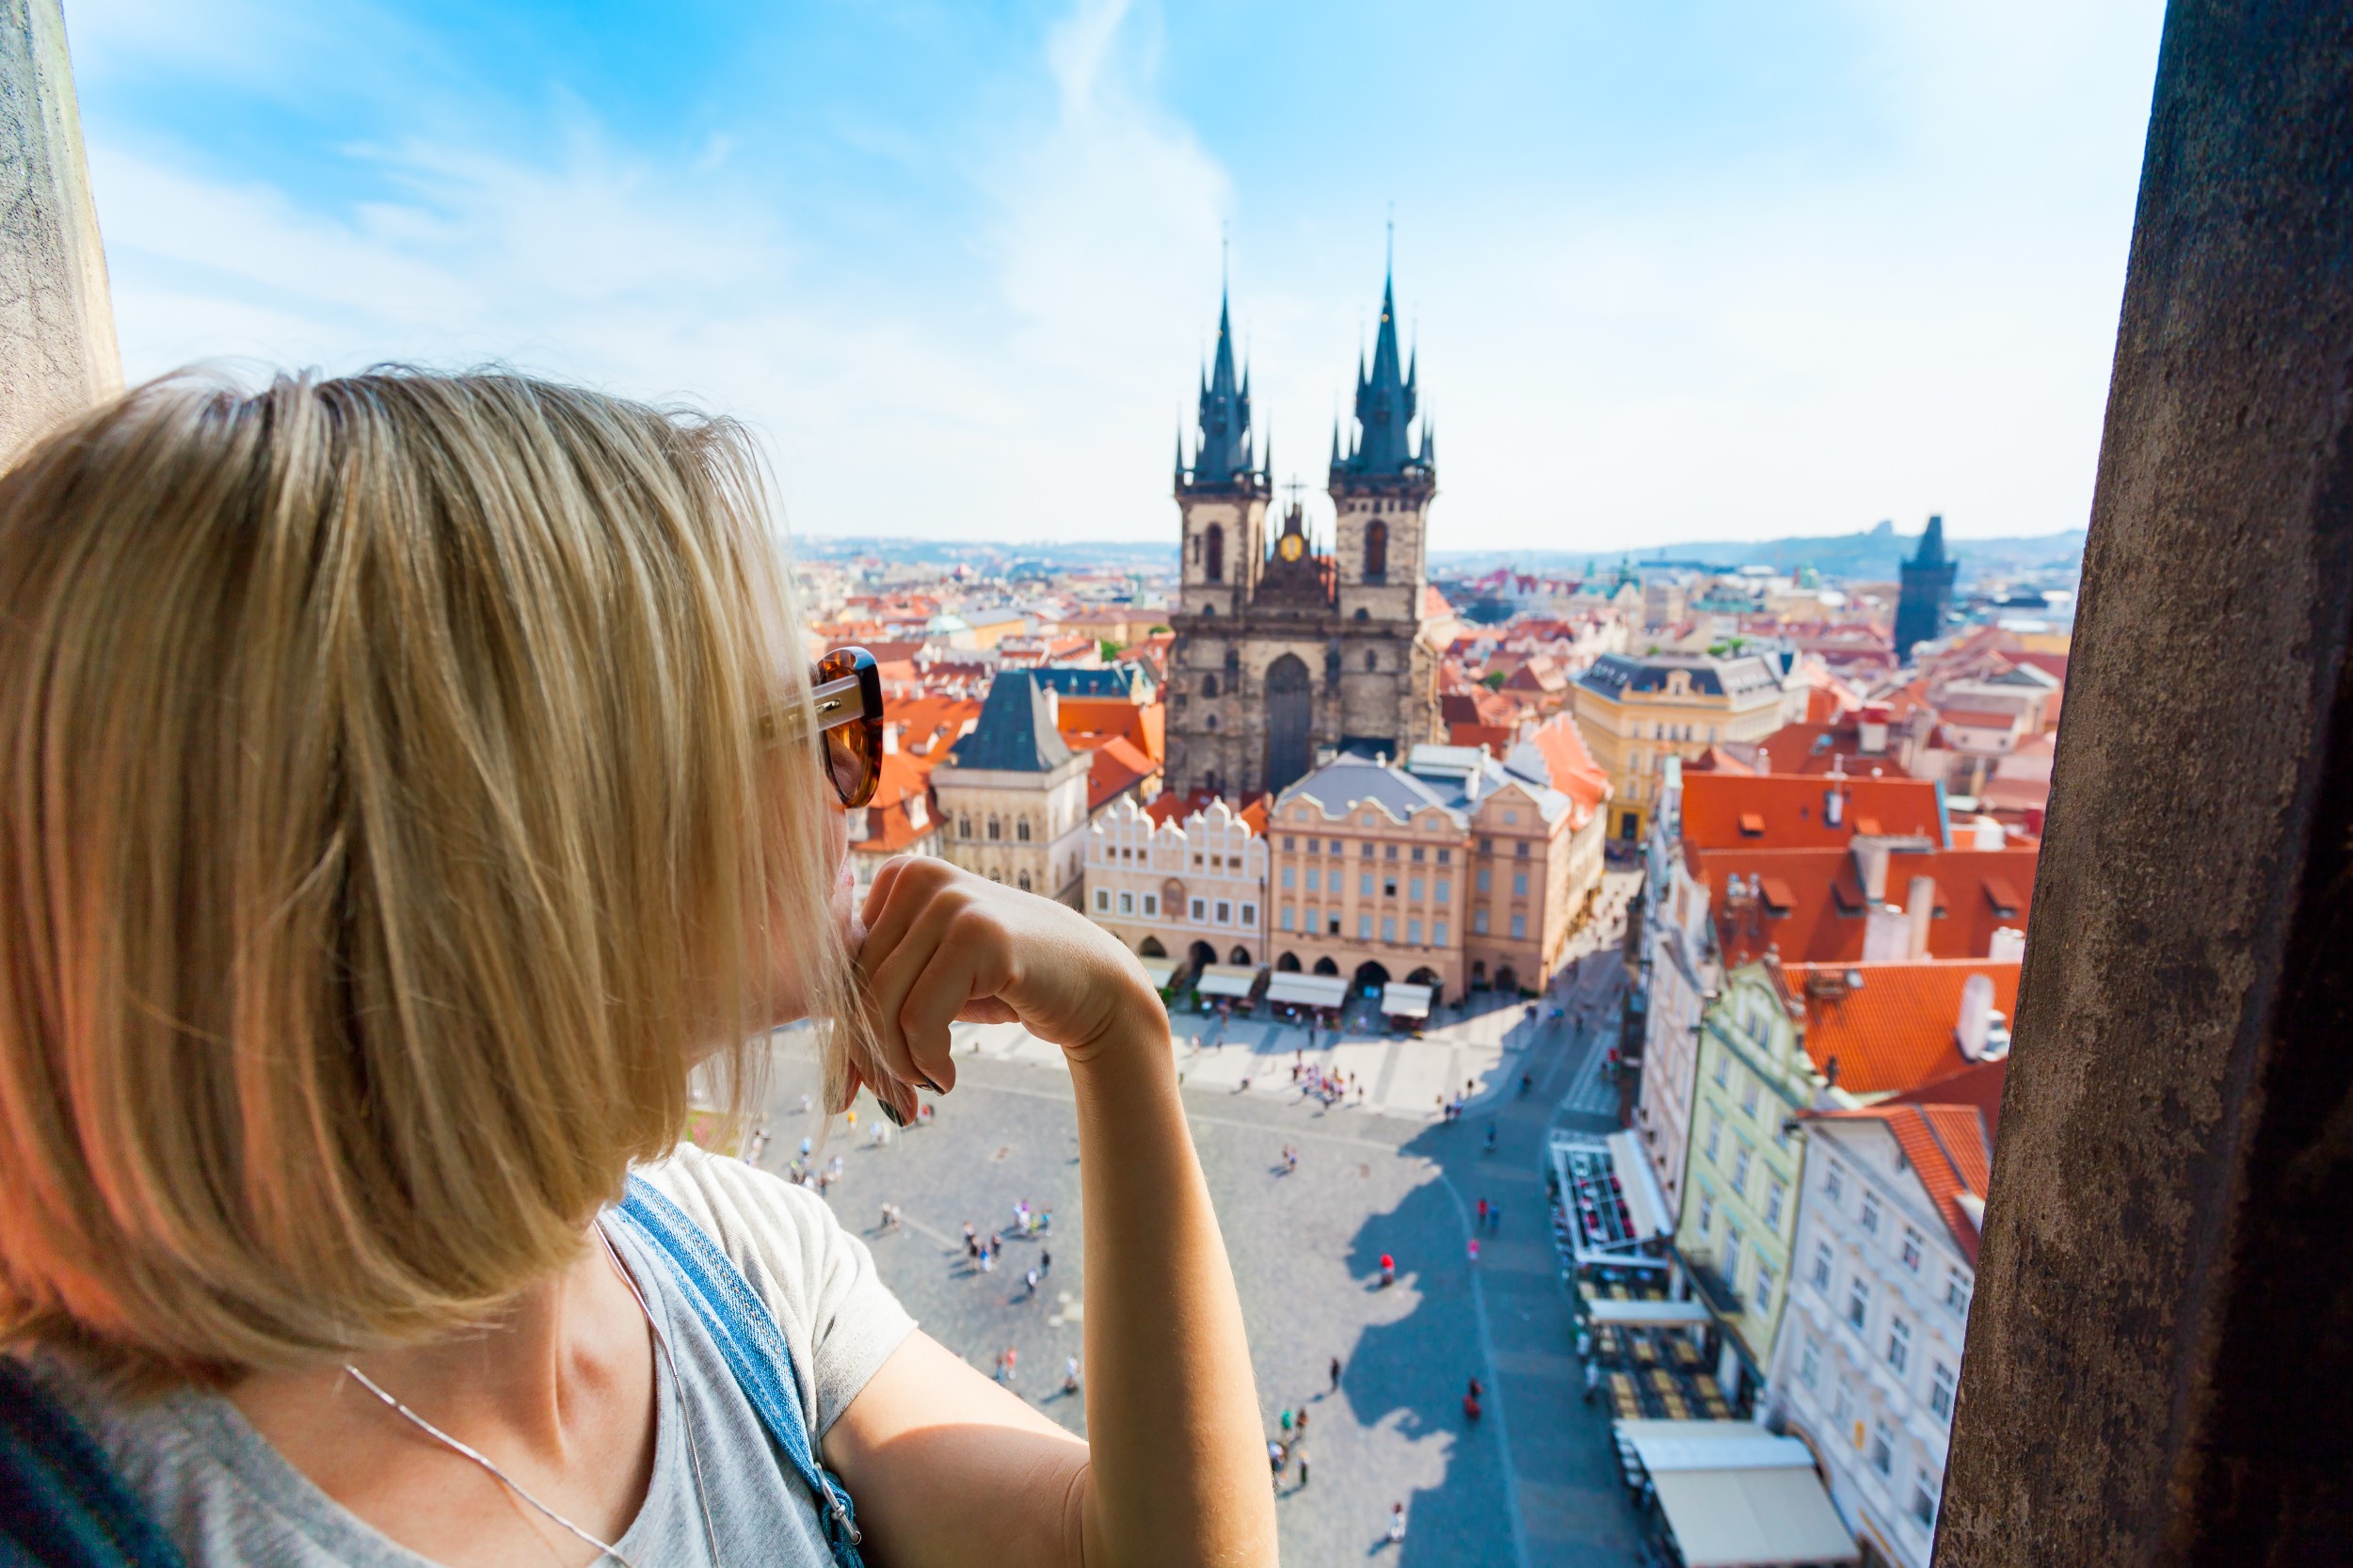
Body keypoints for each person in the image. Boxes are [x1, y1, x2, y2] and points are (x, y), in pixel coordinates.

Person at [0, 372, 1278, 1568]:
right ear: (564, 839)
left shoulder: (726, 1252)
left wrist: (1124, 1036)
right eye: (830, 717)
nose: (868, 783)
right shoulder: (85, 1515)